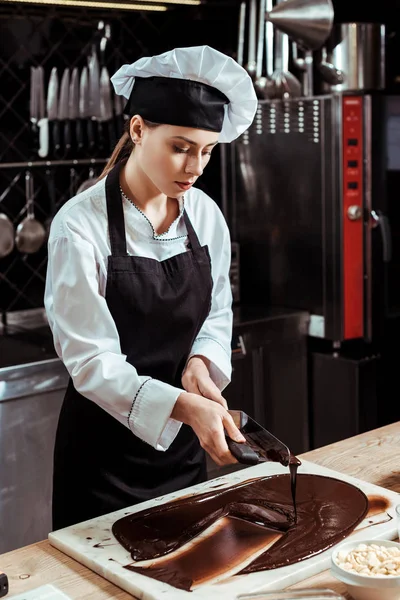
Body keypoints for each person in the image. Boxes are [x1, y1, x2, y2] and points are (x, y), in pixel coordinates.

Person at [44, 45, 258, 530]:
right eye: (180, 147)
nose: (195, 166)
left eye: (206, 150)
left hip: (182, 449)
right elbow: (92, 362)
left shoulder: (205, 215)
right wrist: (186, 406)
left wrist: (201, 363)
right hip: (102, 459)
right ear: (138, 130)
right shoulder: (80, 226)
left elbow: (216, 314)